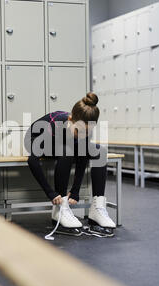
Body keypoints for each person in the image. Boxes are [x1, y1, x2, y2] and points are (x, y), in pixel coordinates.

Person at [24, 92, 116, 239]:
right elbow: (32, 160)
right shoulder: (54, 127)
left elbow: (83, 155)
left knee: (100, 151)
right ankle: (60, 208)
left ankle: (97, 208)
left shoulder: (84, 129)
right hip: (36, 139)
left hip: (65, 143)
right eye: (79, 131)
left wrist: (75, 191)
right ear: (70, 119)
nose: (82, 135)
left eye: (87, 132)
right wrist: (52, 194)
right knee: (67, 151)